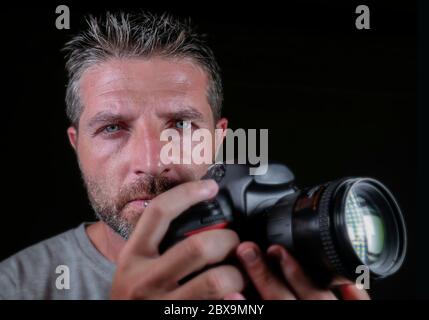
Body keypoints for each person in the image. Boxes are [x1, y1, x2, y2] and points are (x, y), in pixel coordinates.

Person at [0, 11, 369, 300]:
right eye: (113, 127)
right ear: (75, 144)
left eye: (181, 125)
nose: (152, 160)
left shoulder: (291, 263)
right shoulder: (16, 285)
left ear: (219, 138)